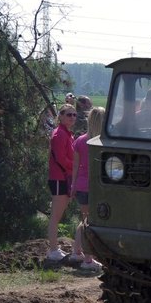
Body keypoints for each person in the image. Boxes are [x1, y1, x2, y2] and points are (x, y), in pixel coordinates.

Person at [69, 107, 105, 272]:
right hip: (97, 187)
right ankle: (88, 260)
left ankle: (77, 252)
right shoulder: (104, 142)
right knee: (90, 223)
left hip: (82, 186)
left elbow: (75, 166)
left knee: (84, 220)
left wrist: (73, 186)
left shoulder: (80, 141)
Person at [46, 104, 77, 263]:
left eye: (74, 115)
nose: (72, 117)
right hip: (59, 178)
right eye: (69, 114)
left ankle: (54, 248)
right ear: (61, 116)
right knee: (55, 216)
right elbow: (61, 159)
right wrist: (76, 167)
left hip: (64, 177)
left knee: (58, 215)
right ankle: (52, 250)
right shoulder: (59, 134)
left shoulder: (67, 134)